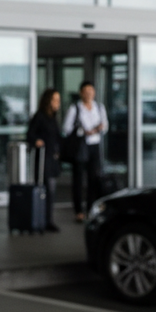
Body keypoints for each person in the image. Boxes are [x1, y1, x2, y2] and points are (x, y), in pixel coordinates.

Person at [62, 81, 108, 222]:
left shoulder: (99, 107)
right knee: (78, 179)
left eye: (91, 91)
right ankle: (78, 210)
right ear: (81, 93)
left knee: (93, 179)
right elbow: (66, 129)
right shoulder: (75, 108)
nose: (89, 94)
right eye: (86, 91)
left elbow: (105, 126)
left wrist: (99, 128)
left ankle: (90, 209)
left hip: (95, 146)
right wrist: (83, 131)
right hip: (80, 146)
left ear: (94, 92)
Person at [26, 87, 62, 233]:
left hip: (51, 159)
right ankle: (42, 220)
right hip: (42, 161)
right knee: (46, 189)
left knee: (51, 190)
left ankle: (47, 220)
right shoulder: (39, 116)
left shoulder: (53, 117)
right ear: (48, 101)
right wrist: (37, 141)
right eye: (55, 100)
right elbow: (30, 135)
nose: (58, 103)